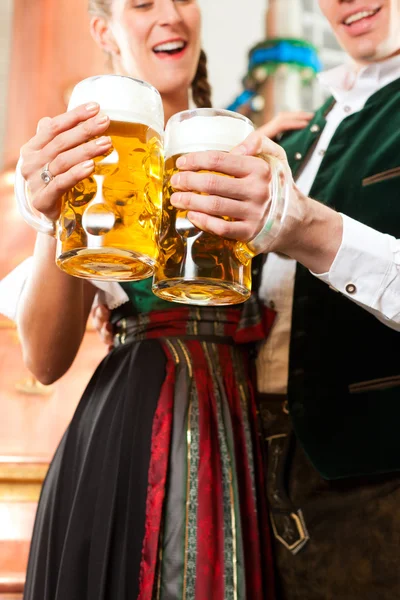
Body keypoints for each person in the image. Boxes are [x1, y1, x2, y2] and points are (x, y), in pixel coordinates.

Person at [14, 1, 314, 598]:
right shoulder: (86, 153)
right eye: (144, 3)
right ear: (105, 29)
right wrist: (50, 222)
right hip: (133, 426)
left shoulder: (250, 147)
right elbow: (44, 361)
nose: (171, 15)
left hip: (243, 426)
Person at [172, 0, 400, 597]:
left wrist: (305, 227)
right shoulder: (308, 127)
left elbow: (301, 231)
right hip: (254, 476)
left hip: (378, 484)